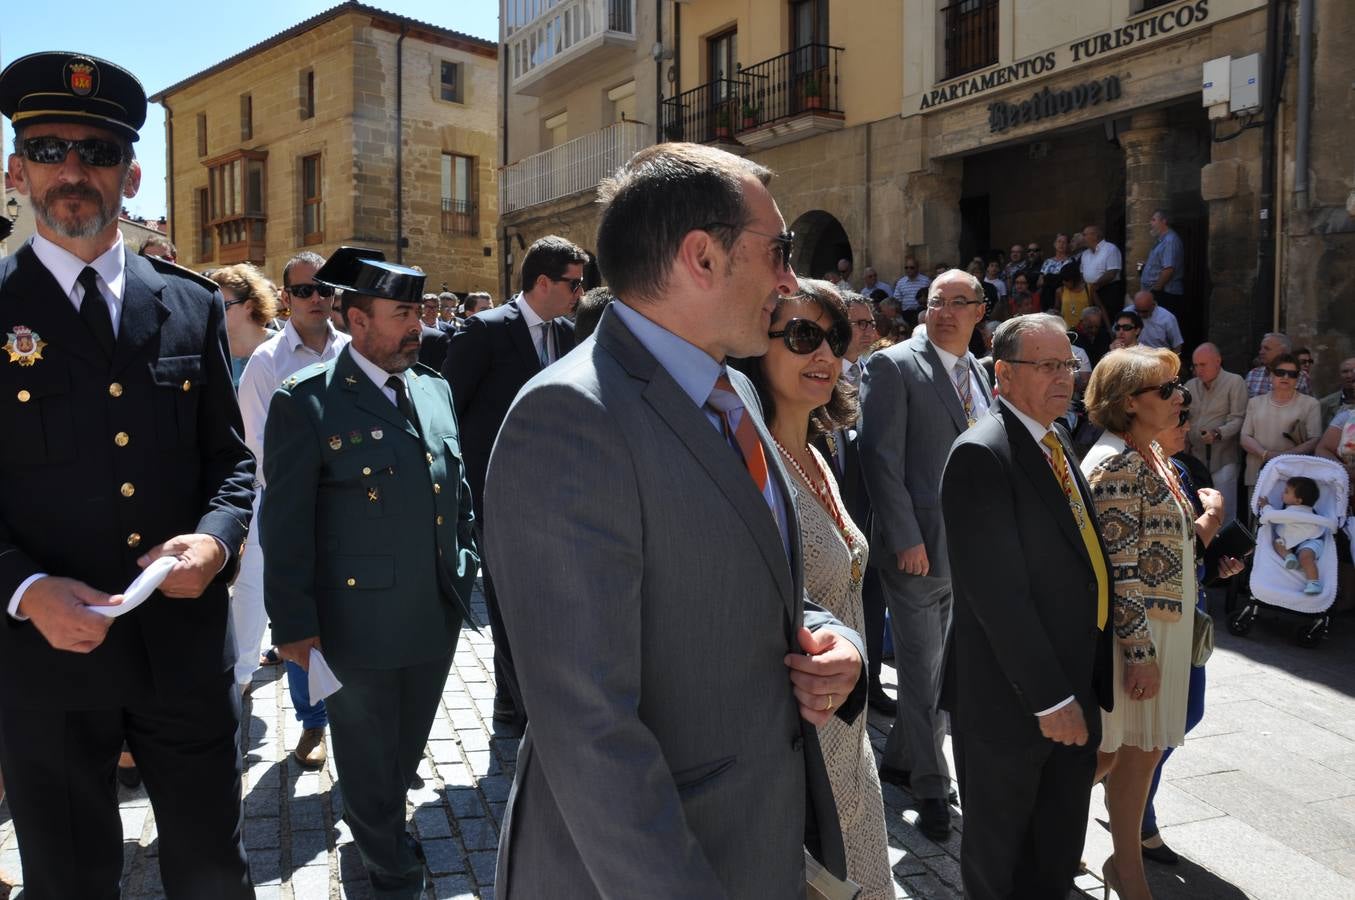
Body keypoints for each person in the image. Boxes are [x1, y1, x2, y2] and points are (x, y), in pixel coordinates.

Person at [484, 142, 865, 898]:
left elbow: (768, 581)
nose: (789, 277)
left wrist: (841, 644)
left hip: (756, 837)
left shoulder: (737, 394)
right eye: (777, 250)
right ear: (701, 256)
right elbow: (588, 728)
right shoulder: (570, 417)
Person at [0, 51, 255, 897]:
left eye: (98, 151)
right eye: (48, 147)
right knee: (68, 883)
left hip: (181, 655)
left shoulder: (187, 302)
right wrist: (27, 587)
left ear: (131, 173)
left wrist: (215, 547)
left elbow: (230, 463)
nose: (73, 169)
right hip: (45, 662)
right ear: (16, 170)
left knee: (212, 873)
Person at [259, 248, 479, 898]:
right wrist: (295, 624)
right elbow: (285, 523)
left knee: (405, 748)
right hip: (355, 625)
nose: (418, 326)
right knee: (365, 753)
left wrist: (462, 573)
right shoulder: (308, 402)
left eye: (418, 311)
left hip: (430, 615)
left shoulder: (433, 388)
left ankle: (380, 821)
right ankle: (389, 863)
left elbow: (456, 493)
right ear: (356, 320)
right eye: (402, 313)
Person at [939, 313, 1113, 899]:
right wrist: (1051, 697)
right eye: (1046, 366)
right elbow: (998, 596)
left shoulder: (1056, 437)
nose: (1063, 377)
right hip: (1013, 701)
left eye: (1068, 364)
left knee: (1055, 849)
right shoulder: (981, 454)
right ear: (1004, 376)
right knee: (1002, 856)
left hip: (1071, 684)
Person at [731, 279, 892, 898]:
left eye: (835, 338)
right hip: (795, 746)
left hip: (848, 735)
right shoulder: (750, 460)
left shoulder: (818, 452)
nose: (824, 355)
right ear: (756, 347)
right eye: (802, 336)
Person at [859, 269, 992, 841]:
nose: (943, 312)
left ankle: (902, 759)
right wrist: (905, 535)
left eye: (958, 303)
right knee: (920, 667)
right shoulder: (894, 365)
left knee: (944, 664)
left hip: (967, 550)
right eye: (936, 301)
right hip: (915, 548)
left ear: (980, 312)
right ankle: (932, 786)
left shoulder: (981, 376)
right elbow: (879, 459)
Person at [1082, 347, 1219, 900]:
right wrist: (1141, 655)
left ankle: (1124, 867)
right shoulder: (1118, 462)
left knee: (1140, 753)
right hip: (1136, 637)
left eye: (1177, 385)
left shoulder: (1149, 454)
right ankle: (1038, 838)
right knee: (1108, 754)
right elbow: (1119, 571)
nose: (1179, 396)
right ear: (1129, 403)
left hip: (1161, 626)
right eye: (1166, 390)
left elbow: (1165, 542)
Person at [443, 235, 586, 733]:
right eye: (573, 283)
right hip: (498, 491)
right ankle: (519, 702)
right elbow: (451, 413)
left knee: (548, 593)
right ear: (542, 282)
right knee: (507, 598)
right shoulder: (485, 331)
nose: (580, 293)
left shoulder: (570, 334)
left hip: (561, 492)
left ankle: (519, 696)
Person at [234, 251, 349, 766]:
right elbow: (258, 448)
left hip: (354, 508)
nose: (317, 298)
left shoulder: (353, 350)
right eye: (304, 291)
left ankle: (357, 718)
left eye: (324, 289)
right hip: (292, 510)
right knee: (301, 616)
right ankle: (313, 723)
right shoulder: (267, 362)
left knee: (354, 615)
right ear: (285, 298)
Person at [1140, 396, 1244, 866]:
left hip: (1190, 612)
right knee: (1153, 728)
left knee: (1187, 714)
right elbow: (1166, 549)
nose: (1187, 425)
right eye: (1178, 417)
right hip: (1155, 621)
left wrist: (1219, 563)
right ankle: (1138, 813)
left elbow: (1192, 554)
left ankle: (1127, 794)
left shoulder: (1181, 470)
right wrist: (1213, 517)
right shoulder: (1131, 468)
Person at [837, 290, 891, 713]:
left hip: (875, 509)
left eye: (872, 323)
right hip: (837, 505)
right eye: (860, 324)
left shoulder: (876, 373)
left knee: (873, 595)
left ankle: (871, 680)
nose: (870, 331)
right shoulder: (820, 373)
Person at [1240, 353, 1322, 502]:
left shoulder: (1311, 404)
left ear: (1297, 378)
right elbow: (1245, 437)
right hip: (1258, 473)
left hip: (1293, 479)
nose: (1285, 377)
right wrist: (1265, 454)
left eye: (1292, 374)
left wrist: (1283, 457)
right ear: (1271, 376)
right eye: (1280, 373)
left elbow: (1314, 440)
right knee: (1256, 521)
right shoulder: (1255, 402)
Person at [1184, 343, 1248, 523]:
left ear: (1217, 361)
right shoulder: (1190, 385)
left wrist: (1218, 433)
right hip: (1196, 459)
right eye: (1195, 365)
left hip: (1223, 459)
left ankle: (1227, 551)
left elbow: (1239, 418)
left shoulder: (1234, 382)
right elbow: (1185, 418)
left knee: (1224, 512)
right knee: (1198, 510)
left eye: (1203, 365)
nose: (1198, 370)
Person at [213, 263, 279, 386]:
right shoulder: (214, 351)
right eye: (213, 304)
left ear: (249, 306)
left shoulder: (280, 347)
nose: (215, 310)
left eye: (223, 305)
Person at [1261, 476, 1328, 594]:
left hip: (1310, 541)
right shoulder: (1308, 511)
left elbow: (1272, 516)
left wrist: (1265, 505)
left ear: (1298, 501)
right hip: (1296, 542)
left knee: (1305, 557)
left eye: (1286, 492)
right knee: (1279, 544)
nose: (1283, 493)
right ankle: (1290, 557)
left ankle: (1313, 582)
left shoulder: (1294, 511)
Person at [1140, 210, 1187, 343]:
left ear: (1164, 221)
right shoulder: (1161, 241)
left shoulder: (1170, 241)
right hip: (1160, 292)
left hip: (1166, 293)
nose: (1151, 223)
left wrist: (1155, 291)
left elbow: (1169, 269)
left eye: (1153, 220)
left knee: (1165, 330)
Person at [1245, 333, 1313, 397]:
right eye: (1261, 348)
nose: (1261, 352)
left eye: (1267, 349)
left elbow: (1307, 406)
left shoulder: (1301, 376)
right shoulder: (1253, 374)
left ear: (1283, 351)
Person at [1080, 224, 1123, 318]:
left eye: (1085, 235)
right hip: (1090, 292)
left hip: (1107, 291)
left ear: (1095, 236)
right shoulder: (1085, 254)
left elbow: (1112, 272)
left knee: (1108, 318)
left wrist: (1095, 285)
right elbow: (1082, 273)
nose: (1082, 238)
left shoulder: (1110, 249)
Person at [892, 257, 930, 327]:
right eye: (906, 268)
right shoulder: (901, 283)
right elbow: (896, 301)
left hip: (921, 313)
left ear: (917, 268)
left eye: (911, 267)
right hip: (906, 314)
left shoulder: (925, 281)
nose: (908, 270)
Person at [1318, 356, 1355, 428]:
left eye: (1353, 371)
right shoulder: (1325, 404)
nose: (1349, 375)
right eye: (1345, 371)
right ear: (1339, 375)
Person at [1036, 233, 1073, 303]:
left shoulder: (1071, 262)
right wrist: (1056, 278)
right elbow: (1039, 282)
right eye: (1059, 241)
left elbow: (1068, 282)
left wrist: (1048, 278)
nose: (1061, 244)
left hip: (1062, 297)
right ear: (1054, 244)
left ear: (1068, 245)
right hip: (1046, 297)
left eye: (1064, 242)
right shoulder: (1047, 261)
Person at [1057, 263, 1092, 328]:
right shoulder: (1060, 291)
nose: (1064, 282)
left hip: (1086, 331)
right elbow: (1056, 312)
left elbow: (1100, 309)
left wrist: (1109, 328)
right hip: (1066, 332)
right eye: (1063, 280)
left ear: (1075, 279)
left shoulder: (1088, 289)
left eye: (1067, 280)